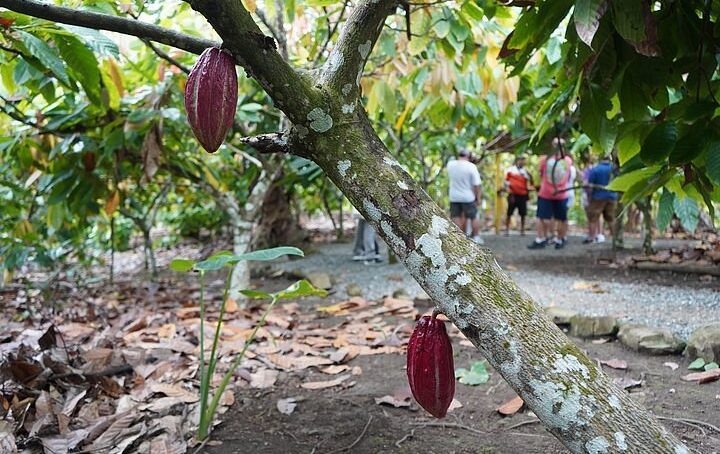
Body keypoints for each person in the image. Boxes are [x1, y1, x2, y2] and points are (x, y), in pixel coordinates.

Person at [528, 139, 574, 250]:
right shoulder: (567, 160)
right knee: (560, 218)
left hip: (548, 193)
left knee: (543, 217)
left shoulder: (544, 160)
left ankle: (542, 238)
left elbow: (541, 174)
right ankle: (559, 239)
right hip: (559, 193)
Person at [447, 149, 483, 244]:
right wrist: (478, 198)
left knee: (456, 216)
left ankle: (459, 238)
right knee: (473, 216)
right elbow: (477, 185)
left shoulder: (450, 165)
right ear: (468, 156)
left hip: (454, 196)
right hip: (467, 197)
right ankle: (476, 237)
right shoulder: (471, 167)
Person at [585, 155, 618, 243]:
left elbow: (590, 185)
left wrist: (589, 197)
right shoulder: (614, 169)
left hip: (598, 197)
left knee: (593, 218)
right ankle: (615, 239)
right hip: (612, 196)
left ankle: (591, 238)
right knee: (611, 218)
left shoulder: (596, 169)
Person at [504, 155, 533, 236]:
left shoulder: (526, 172)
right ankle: (507, 230)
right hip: (513, 194)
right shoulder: (510, 170)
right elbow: (506, 181)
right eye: (521, 160)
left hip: (522, 195)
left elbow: (530, 181)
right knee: (509, 213)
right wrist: (508, 189)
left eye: (523, 160)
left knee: (523, 213)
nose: (522, 162)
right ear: (517, 161)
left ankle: (522, 230)